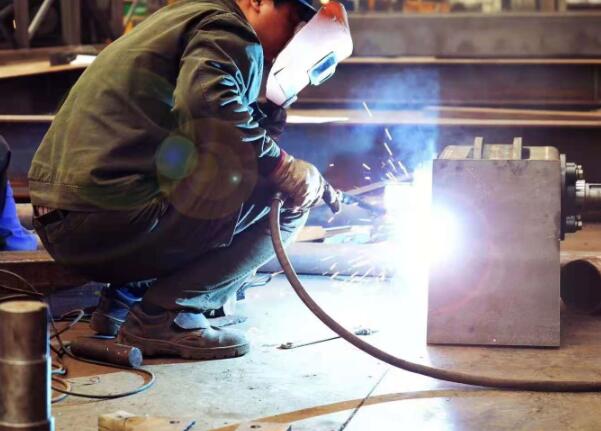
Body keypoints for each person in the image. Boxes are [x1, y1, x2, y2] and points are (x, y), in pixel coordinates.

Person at [28, 0, 341, 360]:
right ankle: (166, 316)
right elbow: (209, 104)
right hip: (103, 219)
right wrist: (283, 167)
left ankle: (128, 294)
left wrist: (270, 108)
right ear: (258, 2)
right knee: (288, 200)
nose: (294, 40)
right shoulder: (231, 30)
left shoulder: (185, 18)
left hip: (65, 218)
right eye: (294, 22)